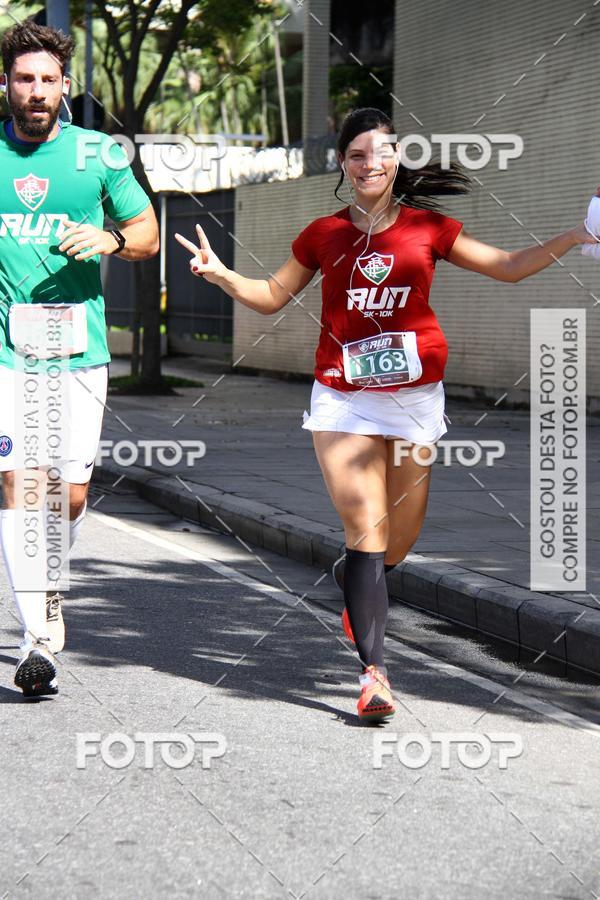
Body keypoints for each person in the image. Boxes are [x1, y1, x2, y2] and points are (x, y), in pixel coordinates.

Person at [175, 106, 597, 722]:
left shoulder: (431, 228)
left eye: (382, 151)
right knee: (368, 528)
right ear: (344, 167)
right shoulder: (323, 234)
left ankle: (360, 580)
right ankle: (374, 675)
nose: (371, 163)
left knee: (399, 538)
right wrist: (220, 275)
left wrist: (574, 237)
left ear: (397, 159)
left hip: (415, 402)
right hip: (342, 398)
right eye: (357, 155)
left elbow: (506, 268)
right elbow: (269, 298)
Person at [0, 20, 159, 697]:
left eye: (48, 80)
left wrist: (107, 239)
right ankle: (39, 632)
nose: (37, 92)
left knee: (66, 495)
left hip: (80, 351)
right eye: (25, 79)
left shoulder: (98, 154)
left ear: (65, 86)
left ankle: (50, 592)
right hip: (9, 353)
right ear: (4, 83)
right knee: (19, 482)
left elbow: (147, 233)